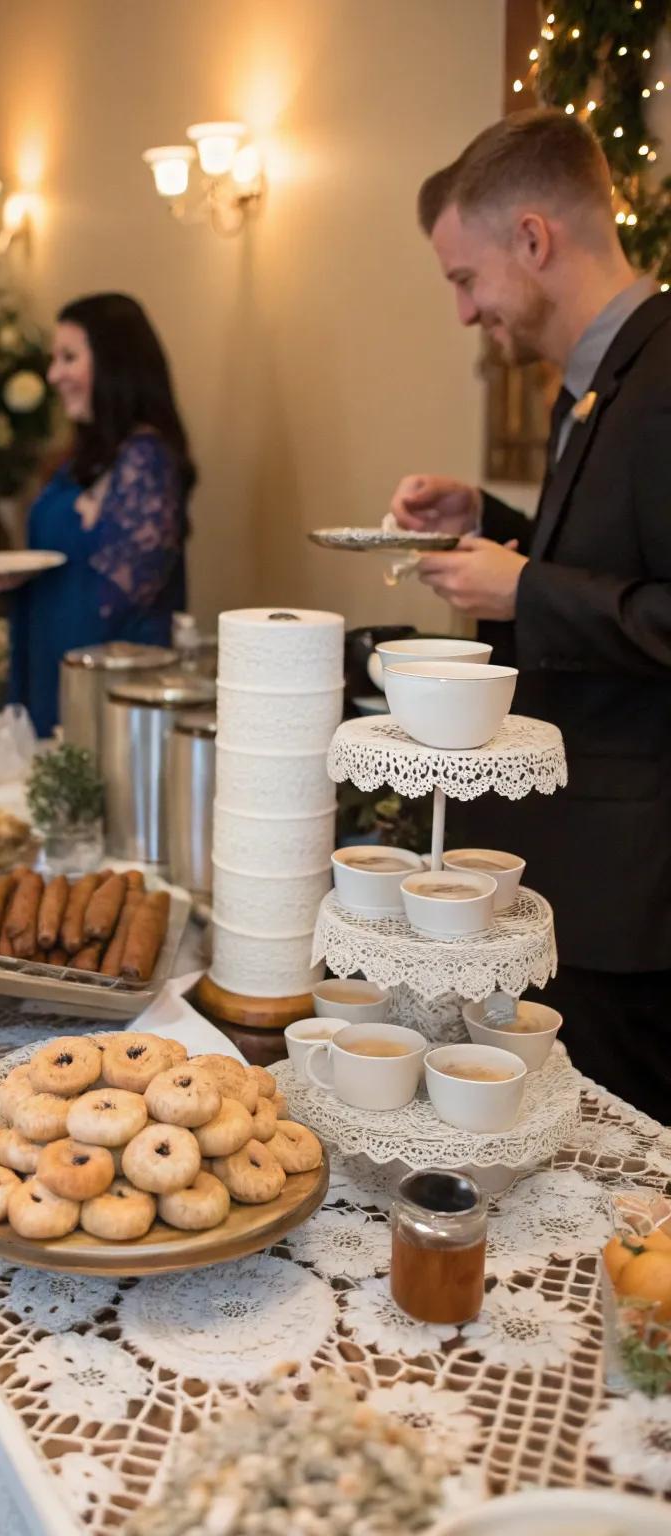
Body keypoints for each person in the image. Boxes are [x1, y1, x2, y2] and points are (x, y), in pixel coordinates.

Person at [389, 108, 671, 1118]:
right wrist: (495, 520)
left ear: (533, 240)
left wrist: (525, 590)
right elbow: (620, 553)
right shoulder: (591, 387)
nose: (464, 314)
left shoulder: (665, 372)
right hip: (587, 876)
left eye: (465, 280)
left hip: (641, 898)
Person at [8, 293, 193, 737]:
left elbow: (120, 600)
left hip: (105, 694)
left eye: (69, 357)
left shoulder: (145, 460)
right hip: (52, 666)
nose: (54, 375)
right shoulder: (80, 462)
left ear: (115, 364)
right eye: (55, 359)